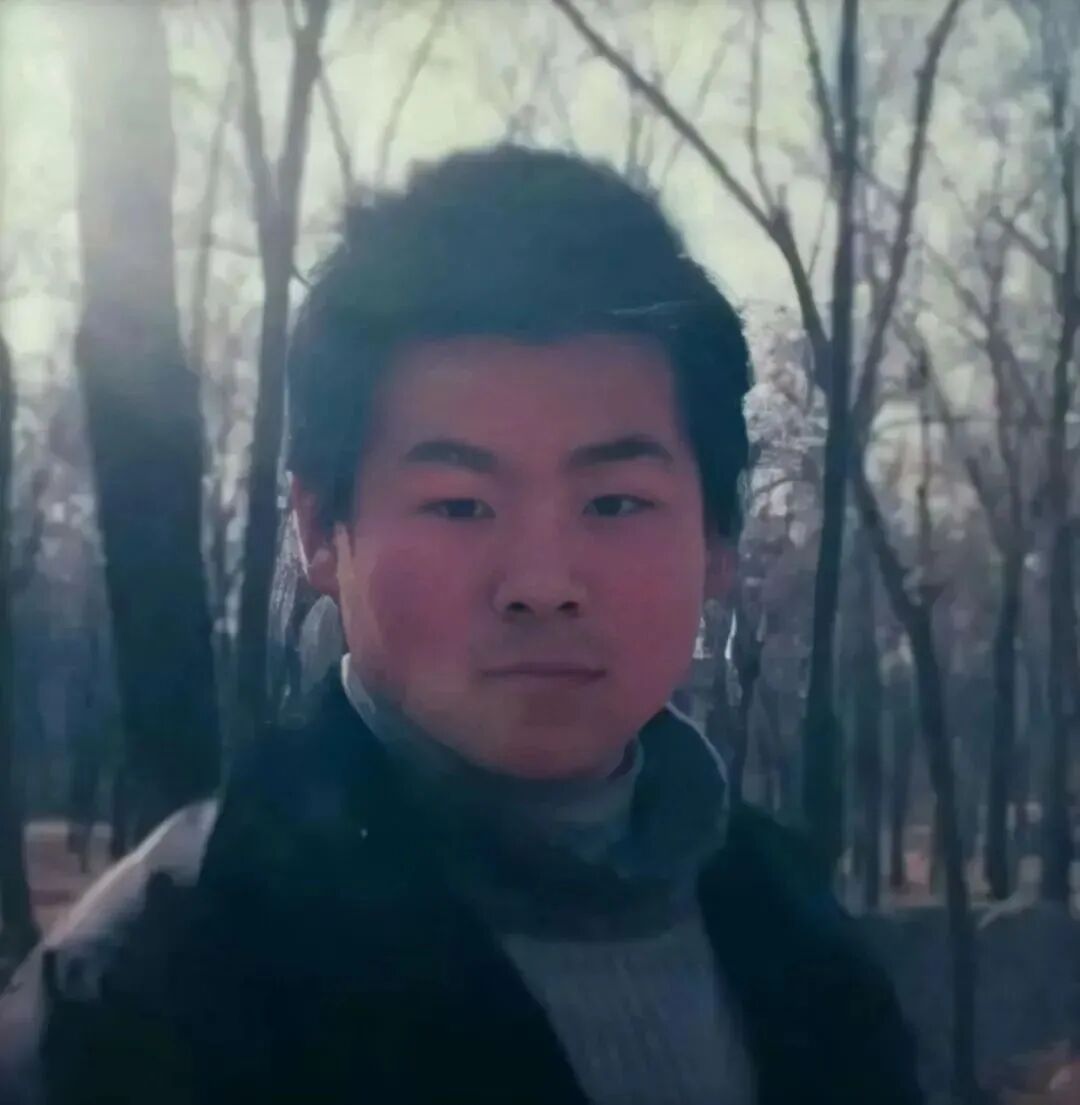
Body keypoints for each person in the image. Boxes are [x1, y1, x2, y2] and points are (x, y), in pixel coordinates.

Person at [0, 145, 921, 1105]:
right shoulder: (152, 991)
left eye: (614, 502)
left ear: (718, 538)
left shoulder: (800, 937)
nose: (542, 585)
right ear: (321, 531)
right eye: (459, 504)